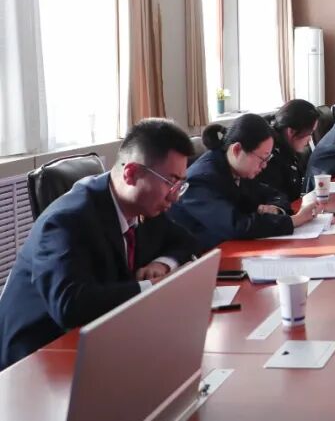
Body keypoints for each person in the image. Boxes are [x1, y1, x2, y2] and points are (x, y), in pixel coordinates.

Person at [0, 119, 198, 370]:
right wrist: (152, 288)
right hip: (37, 359)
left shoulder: (143, 206)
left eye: (180, 184)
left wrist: (162, 263)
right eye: (171, 182)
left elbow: (186, 240)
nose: (175, 196)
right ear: (131, 174)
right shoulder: (67, 220)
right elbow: (70, 305)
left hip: (100, 338)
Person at [168, 114, 317, 251]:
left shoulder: (238, 167)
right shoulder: (200, 180)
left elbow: (275, 194)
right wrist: (294, 221)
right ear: (237, 150)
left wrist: (276, 209)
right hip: (201, 256)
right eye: (262, 158)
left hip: (234, 247)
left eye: (268, 159)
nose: (264, 165)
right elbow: (237, 226)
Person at [262, 99, 319, 202]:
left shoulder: (288, 149)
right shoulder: (270, 157)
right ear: (291, 131)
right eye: (309, 133)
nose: (310, 139)